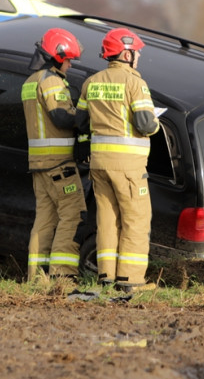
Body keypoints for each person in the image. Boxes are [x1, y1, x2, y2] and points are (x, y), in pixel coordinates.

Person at [76, 27, 160, 294]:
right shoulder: (136, 83)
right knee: (136, 219)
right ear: (126, 53)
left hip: (99, 165)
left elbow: (80, 122)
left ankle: (106, 277)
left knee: (107, 220)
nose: (138, 57)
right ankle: (131, 281)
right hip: (128, 167)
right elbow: (146, 124)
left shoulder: (91, 82)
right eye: (136, 52)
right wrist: (157, 124)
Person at [21, 27, 87, 283]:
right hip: (59, 166)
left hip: (40, 166)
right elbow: (60, 117)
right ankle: (63, 276)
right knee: (72, 215)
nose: (70, 65)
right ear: (58, 55)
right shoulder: (51, 81)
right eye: (69, 60)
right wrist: (84, 115)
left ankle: (36, 278)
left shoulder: (30, 82)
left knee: (45, 220)